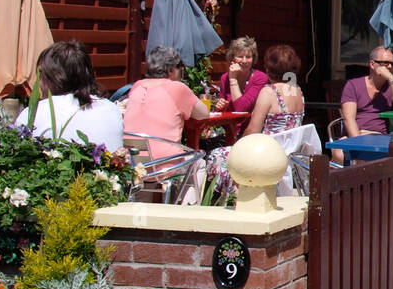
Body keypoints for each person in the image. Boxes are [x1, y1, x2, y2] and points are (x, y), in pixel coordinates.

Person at [206, 44, 308, 196]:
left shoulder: (270, 92)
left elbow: (253, 129)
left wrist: (237, 146)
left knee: (216, 155)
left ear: (269, 68)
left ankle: (228, 200)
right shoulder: (297, 90)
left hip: (267, 152)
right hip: (288, 153)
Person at [16, 41, 124, 152]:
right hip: (108, 167)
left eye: (40, 75)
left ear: (49, 77)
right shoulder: (111, 109)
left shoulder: (35, 113)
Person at [123, 46, 210, 157]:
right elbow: (203, 114)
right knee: (201, 161)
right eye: (180, 67)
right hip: (167, 165)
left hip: (135, 164)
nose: (182, 72)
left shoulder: (137, 86)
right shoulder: (177, 88)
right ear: (170, 70)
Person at [340, 46, 393, 136]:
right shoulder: (353, 85)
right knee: (337, 149)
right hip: (355, 135)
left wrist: (391, 78)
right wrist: (357, 142)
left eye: (392, 64)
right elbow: (349, 119)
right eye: (385, 63)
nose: (389, 67)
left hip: (379, 136)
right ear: (372, 64)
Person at [214, 36, 270, 114]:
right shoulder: (225, 78)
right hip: (230, 125)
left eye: (248, 57)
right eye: (240, 56)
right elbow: (222, 110)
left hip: (251, 125)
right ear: (232, 58)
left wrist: (233, 80)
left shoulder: (260, 78)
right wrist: (220, 106)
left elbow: (241, 108)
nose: (244, 61)